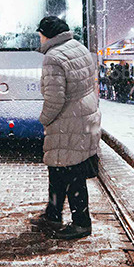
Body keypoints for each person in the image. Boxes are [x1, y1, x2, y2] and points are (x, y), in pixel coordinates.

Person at [31, 15, 101, 240]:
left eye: (40, 35)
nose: (39, 39)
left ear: (47, 35)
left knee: (70, 172)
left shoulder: (53, 57)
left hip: (66, 119)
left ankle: (82, 223)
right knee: (60, 168)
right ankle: (53, 214)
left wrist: (44, 119)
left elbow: (55, 98)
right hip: (84, 114)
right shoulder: (79, 47)